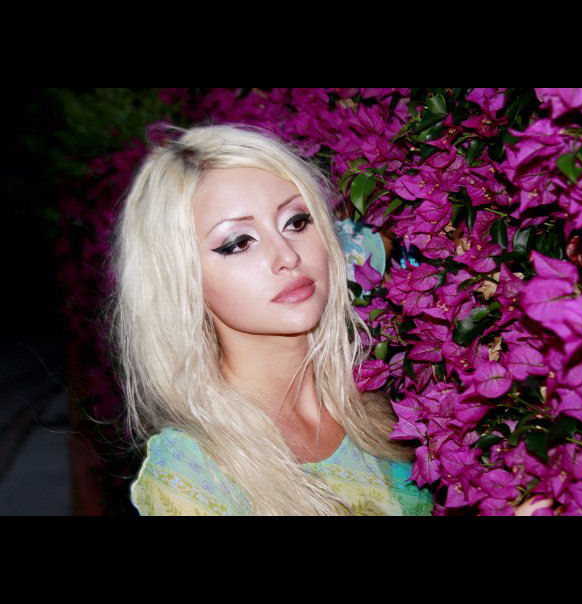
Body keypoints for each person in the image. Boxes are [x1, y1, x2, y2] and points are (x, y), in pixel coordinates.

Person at [107, 123, 551, 516]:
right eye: (238, 242)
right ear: (182, 281)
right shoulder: (189, 475)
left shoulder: (385, 394)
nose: (287, 256)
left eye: (296, 221)